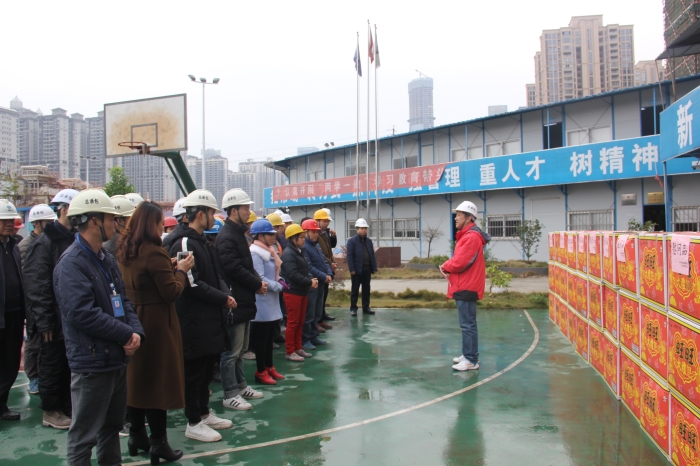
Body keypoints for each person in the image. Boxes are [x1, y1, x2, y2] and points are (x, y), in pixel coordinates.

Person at [53, 189, 145, 464]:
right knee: (84, 436)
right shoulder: (71, 264)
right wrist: (126, 334)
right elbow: (83, 313)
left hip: (115, 358)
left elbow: (123, 300)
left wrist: (136, 332)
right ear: (93, 220)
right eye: (110, 218)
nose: (115, 224)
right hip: (92, 363)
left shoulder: (105, 258)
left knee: (111, 427)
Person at [116, 201, 194, 463]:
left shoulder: (125, 249)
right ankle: (159, 442)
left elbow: (144, 278)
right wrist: (181, 270)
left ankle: (137, 435)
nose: (163, 226)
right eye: (160, 222)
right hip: (156, 322)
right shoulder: (154, 252)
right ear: (152, 224)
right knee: (158, 383)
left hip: (132, 318)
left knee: (137, 380)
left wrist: (168, 266)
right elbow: (171, 291)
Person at [168, 189, 235, 442]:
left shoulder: (202, 241)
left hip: (209, 319)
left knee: (206, 369)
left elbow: (215, 275)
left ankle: (204, 413)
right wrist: (223, 298)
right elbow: (191, 283)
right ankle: (193, 421)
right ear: (200, 214)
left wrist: (224, 293)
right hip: (193, 321)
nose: (214, 217)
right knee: (194, 373)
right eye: (211, 213)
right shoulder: (185, 242)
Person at [23, 192, 79, 429]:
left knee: (68, 364)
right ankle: (51, 410)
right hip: (53, 318)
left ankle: (66, 406)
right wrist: (44, 321)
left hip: (69, 314)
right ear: (64, 210)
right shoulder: (45, 243)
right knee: (52, 363)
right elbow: (37, 284)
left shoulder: (71, 238)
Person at [216, 188, 265, 411]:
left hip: (244, 299)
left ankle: (241, 386)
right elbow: (234, 269)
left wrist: (258, 282)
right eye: (245, 208)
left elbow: (247, 266)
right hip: (234, 301)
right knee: (231, 352)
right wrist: (257, 284)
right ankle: (230, 394)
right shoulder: (226, 237)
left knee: (241, 349)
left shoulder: (238, 235)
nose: (249, 212)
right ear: (234, 210)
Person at [440, 201, 490, 372]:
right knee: (467, 324)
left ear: (469, 218)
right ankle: (468, 354)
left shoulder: (470, 237)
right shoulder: (468, 235)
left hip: (467, 286)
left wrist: (446, 265)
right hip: (466, 284)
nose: (456, 218)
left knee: (467, 324)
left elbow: (460, 262)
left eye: (459, 215)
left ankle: (471, 359)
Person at [20, 203, 57, 396]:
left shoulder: (48, 242)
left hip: (44, 298)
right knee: (34, 341)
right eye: (47, 222)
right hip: (33, 301)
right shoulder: (28, 246)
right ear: (37, 223)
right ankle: (33, 376)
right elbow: (31, 279)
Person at [248, 219, 285, 385]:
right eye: (269, 234)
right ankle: (260, 371)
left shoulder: (269, 252)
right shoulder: (255, 253)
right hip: (262, 302)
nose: (273, 236)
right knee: (262, 341)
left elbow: (273, 274)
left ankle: (270, 367)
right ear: (260, 236)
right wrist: (278, 286)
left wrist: (281, 281)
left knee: (270, 338)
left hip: (271, 301)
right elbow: (260, 278)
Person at [0, 199, 26, 421]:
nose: (9, 224)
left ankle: (1, 404)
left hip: (14, 314)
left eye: (11, 220)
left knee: (10, 361)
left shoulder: (13, 246)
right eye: (4, 220)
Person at [280, 224, 317, 361]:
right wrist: (309, 282)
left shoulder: (298, 251)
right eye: (300, 237)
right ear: (293, 238)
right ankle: (290, 351)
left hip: (301, 291)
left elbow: (304, 269)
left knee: (300, 321)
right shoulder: (288, 254)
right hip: (293, 292)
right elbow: (292, 274)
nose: (303, 239)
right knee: (293, 322)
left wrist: (311, 278)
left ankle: (298, 347)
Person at [300, 219, 332, 350]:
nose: (315, 234)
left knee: (317, 311)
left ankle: (313, 336)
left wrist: (329, 273)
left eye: (316, 232)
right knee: (309, 313)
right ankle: (305, 339)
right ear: (306, 232)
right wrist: (324, 276)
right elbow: (309, 267)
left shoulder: (316, 245)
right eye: (313, 232)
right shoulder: (305, 248)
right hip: (312, 284)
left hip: (321, 283)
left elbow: (324, 261)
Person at [346, 218, 377, 317]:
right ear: (357, 229)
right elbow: (349, 256)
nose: (363, 230)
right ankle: (353, 308)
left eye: (365, 228)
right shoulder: (352, 241)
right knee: (355, 290)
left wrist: (374, 267)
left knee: (366, 290)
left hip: (367, 269)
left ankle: (366, 308)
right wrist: (352, 269)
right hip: (356, 270)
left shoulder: (369, 241)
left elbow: (372, 255)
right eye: (361, 228)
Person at [314, 209, 337, 327]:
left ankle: (322, 315)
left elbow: (330, 247)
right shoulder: (315, 235)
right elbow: (320, 253)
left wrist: (333, 237)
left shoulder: (325, 233)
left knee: (324, 293)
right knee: (318, 295)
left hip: (327, 266)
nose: (326, 223)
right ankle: (318, 319)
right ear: (317, 221)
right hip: (320, 267)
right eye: (324, 221)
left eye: (327, 221)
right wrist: (329, 263)